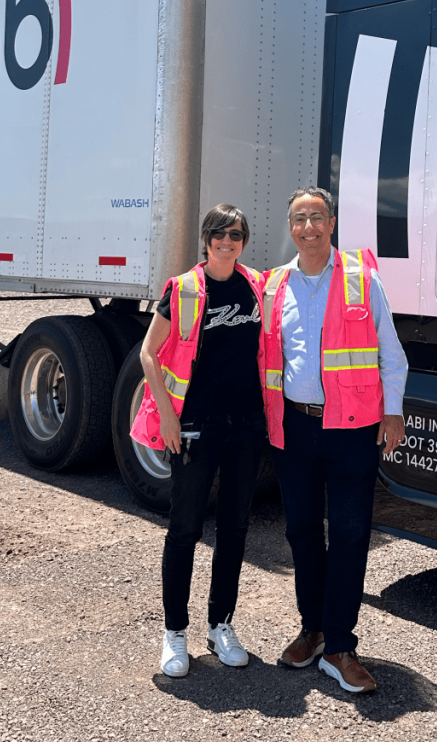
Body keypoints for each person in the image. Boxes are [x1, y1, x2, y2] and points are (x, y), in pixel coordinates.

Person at [261, 186, 407, 693]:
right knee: (301, 531)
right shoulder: (274, 285)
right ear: (291, 226)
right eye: (299, 218)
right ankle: (314, 630)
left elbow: (391, 352)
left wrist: (393, 412)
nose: (308, 227)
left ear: (332, 222)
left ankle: (341, 646)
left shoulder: (362, 280)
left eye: (317, 217)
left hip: (351, 428)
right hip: (294, 428)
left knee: (348, 534)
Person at [130, 204, 267, 678]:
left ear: (244, 241)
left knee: (234, 528)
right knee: (185, 529)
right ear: (206, 240)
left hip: (246, 424)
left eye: (236, 234)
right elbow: (149, 352)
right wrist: (167, 415)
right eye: (219, 234)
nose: (227, 242)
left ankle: (220, 625)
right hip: (195, 425)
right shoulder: (184, 289)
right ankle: (174, 632)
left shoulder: (257, 286)